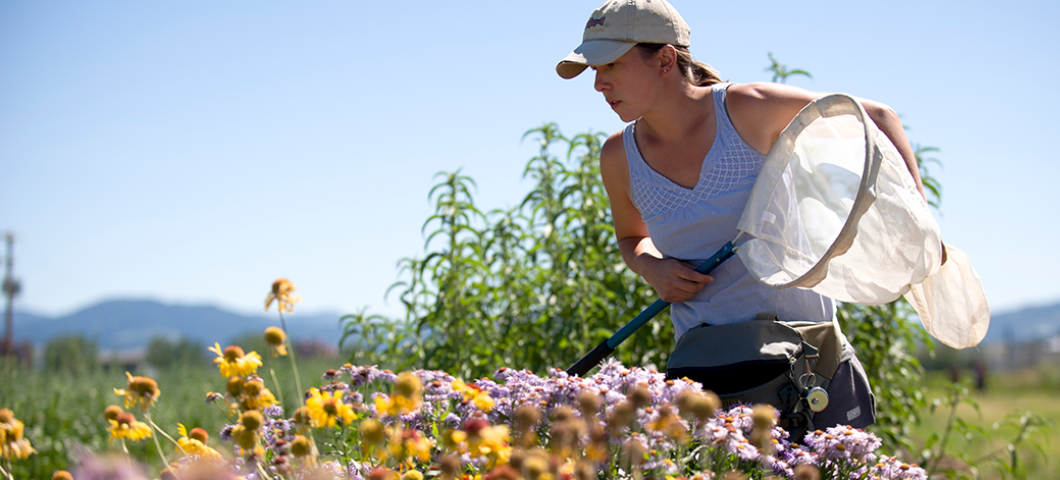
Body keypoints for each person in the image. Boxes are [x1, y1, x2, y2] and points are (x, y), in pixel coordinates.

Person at [556, 0, 938, 430]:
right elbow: (630, 239)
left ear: (665, 59)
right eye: (594, 71)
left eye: (611, 65)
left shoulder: (745, 109)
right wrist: (652, 267)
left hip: (807, 366)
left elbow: (879, 118)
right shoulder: (617, 156)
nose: (598, 84)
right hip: (707, 381)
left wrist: (918, 225)